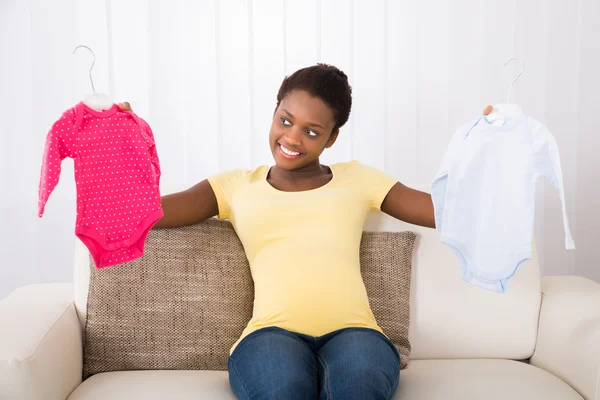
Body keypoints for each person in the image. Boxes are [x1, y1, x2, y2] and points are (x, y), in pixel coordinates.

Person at [119, 64, 435, 400]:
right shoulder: (236, 185)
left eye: (311, 132)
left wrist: (493, 145)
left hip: (356, 334)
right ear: (274, 112)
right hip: (270, 336)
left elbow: (449, 212)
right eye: (285, 120)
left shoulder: (358, 179)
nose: (292, 138)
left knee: (357, 391)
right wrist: (121, 140)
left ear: (332, 138)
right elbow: (140, 212)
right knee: (283, 392)